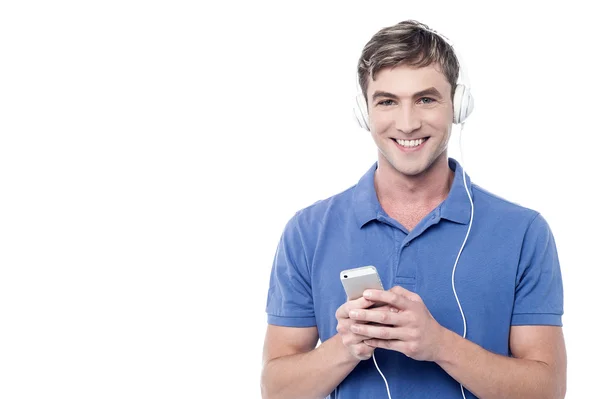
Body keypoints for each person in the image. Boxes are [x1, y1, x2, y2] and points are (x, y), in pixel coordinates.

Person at [260, 19, 566, 399]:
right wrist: (347, 347)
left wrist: (439, 345)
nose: (407, 124)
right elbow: (276, 390)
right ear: (364, 111)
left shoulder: (524, 232)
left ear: (457, 105)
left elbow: (547, 390)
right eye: (387, 101)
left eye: (426, 99)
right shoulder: (307, 231)